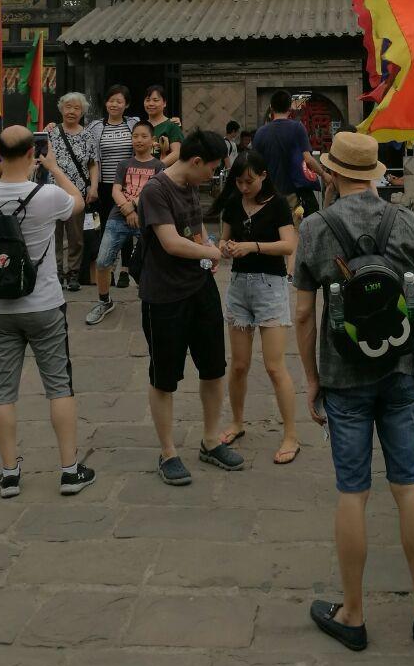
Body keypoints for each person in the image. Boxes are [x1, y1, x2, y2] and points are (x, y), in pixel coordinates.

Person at [294, 130, 414, 653]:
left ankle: (353, 613)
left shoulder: (315, 227)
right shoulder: (405, 222)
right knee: (408, 488)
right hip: (401, 371)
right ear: (374, 175)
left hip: (343, 378)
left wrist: (312, 380)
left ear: (334, 173)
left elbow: (302, 314)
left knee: (353, 491)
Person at [0, 125, 96, 498]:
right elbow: (78, 201)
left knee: (2, 390)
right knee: (59, 386)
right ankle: (69, 471)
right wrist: (53, 167)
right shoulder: (47, 196)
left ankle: (9, 474)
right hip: (43, 304)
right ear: (32, 153)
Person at [137, 128, 245, 486]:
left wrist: (206, 251)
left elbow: (195, 230)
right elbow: (171, 242)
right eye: (212, 168)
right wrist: (211, 252)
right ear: (196, 161)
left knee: (213, 368)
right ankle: (168, 452)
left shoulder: (190, 185)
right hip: (164, 295)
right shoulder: (156, 190)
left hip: (200, 289)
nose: (213, 175)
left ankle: (211, 440)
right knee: (164, 377)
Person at [211, 151, 300, 464]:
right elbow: (222, 241)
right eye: (239, 181)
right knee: (238, 365)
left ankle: (291, 434)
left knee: (275, 366)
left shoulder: (278, 204)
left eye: (249, 181)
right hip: (239, 287)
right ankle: (237, 421)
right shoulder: (233, 203)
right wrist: (226, 248)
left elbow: (289, 245)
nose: (244, 187)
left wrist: (252, 246)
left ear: (263, 176)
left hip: (270, 287)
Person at [86, 120, 162, 325]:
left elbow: (154, 192)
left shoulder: (159, 166)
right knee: (102, 261)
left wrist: (134, 205)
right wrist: (127, 209)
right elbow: (115, 190)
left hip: (146, 219)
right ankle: (104, 301)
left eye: (144, 136)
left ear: (152, 140)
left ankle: (154, 300)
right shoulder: (124, 164)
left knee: (153, 262)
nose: (139, 140)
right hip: (118, 216)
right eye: (135, 136)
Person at [43, 91, 100, 292]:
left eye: (77, 108)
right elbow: (39, 158)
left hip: (77, 194)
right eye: (68, 107)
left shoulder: (87, 135)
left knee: (76, 236)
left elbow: (93, 164)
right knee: (54, 234)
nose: (72, 111)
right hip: (53, 192)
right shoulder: (51, 132)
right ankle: (57, 272)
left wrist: (94, 186)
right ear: (61, 109)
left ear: (82, 112)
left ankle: (73, 273)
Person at [87, 83, 137, 291]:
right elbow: (91, 156)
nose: (114, 104)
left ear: (127, 105)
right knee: (107, 226)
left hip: (128, 185)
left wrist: (173, 122)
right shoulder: (95, 127)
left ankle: (125, 269)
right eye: (110, 100)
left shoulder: (134, 124)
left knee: (127, 225)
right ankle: (108, 270)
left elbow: (151, 133)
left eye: (119, 101)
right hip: (105, 185)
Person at [253, 89, 327, 219]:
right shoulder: (297, 128)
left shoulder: (260, 133)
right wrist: (324, 174)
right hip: (292, 195)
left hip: (268, 195)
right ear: (289, 108)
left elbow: (255, 165)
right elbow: (308, 159)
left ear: (271, 107)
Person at [143, 84, 184, 167]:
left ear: (164, 103)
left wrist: (155, 167)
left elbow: (176, 153)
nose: (151, 103)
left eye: (155, 100)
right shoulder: (141, 126)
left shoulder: (172, 125)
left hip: (164, 173)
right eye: (147, 100)